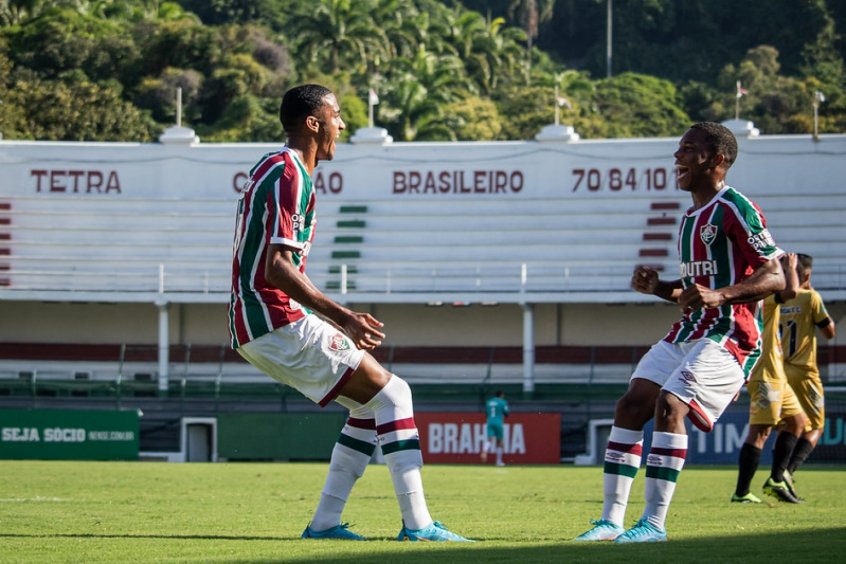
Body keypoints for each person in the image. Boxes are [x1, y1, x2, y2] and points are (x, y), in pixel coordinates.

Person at [228, 84, 470, 542]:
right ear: (312, 123)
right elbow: (277, 268)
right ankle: (419, 527)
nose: (342, 124)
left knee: (369, 405)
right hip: (274, 317)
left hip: (257, 321)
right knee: (395, 394)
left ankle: (324, 524)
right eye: (335, 115)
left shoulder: (274, 167)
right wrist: (344, 316)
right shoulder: (288, 173)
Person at [574, 121, 785, 544]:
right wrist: (659, 288)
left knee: (671, 404)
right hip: (690, 328)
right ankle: (609, 522)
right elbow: (694, 294)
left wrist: (722, 295)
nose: (677, 158)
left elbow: (776, 275)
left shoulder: (734, 207)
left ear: (717, 159)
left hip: (729, 334)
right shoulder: (691, 218)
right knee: (631, 405)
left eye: (688, 150)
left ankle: (653, 524)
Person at [732, 252, 806, 504]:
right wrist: (792, 267)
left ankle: (776, 478)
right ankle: (741, 492)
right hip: (764, 374)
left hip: (778, 374)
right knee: (760, 432)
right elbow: (792, 291)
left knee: (798, 421)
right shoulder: (764, 297)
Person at [780, 253, 836, 494]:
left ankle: (776, 472)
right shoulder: (811, 298)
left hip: (778, 372)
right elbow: (830, 332)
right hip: (804, 372)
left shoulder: (775, 299)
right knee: (815, 427)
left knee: (787, 426)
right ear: (808, 275)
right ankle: (787, 472)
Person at [480, 390, 509, 466]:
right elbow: (506, 413)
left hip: (490, 422)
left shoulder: (489, 402)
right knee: (500, 442)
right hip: (498, 422)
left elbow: (486, 413)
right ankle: (498, 461)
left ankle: (484, 451)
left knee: (489, 439)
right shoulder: (503, 402)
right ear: (501, 395)